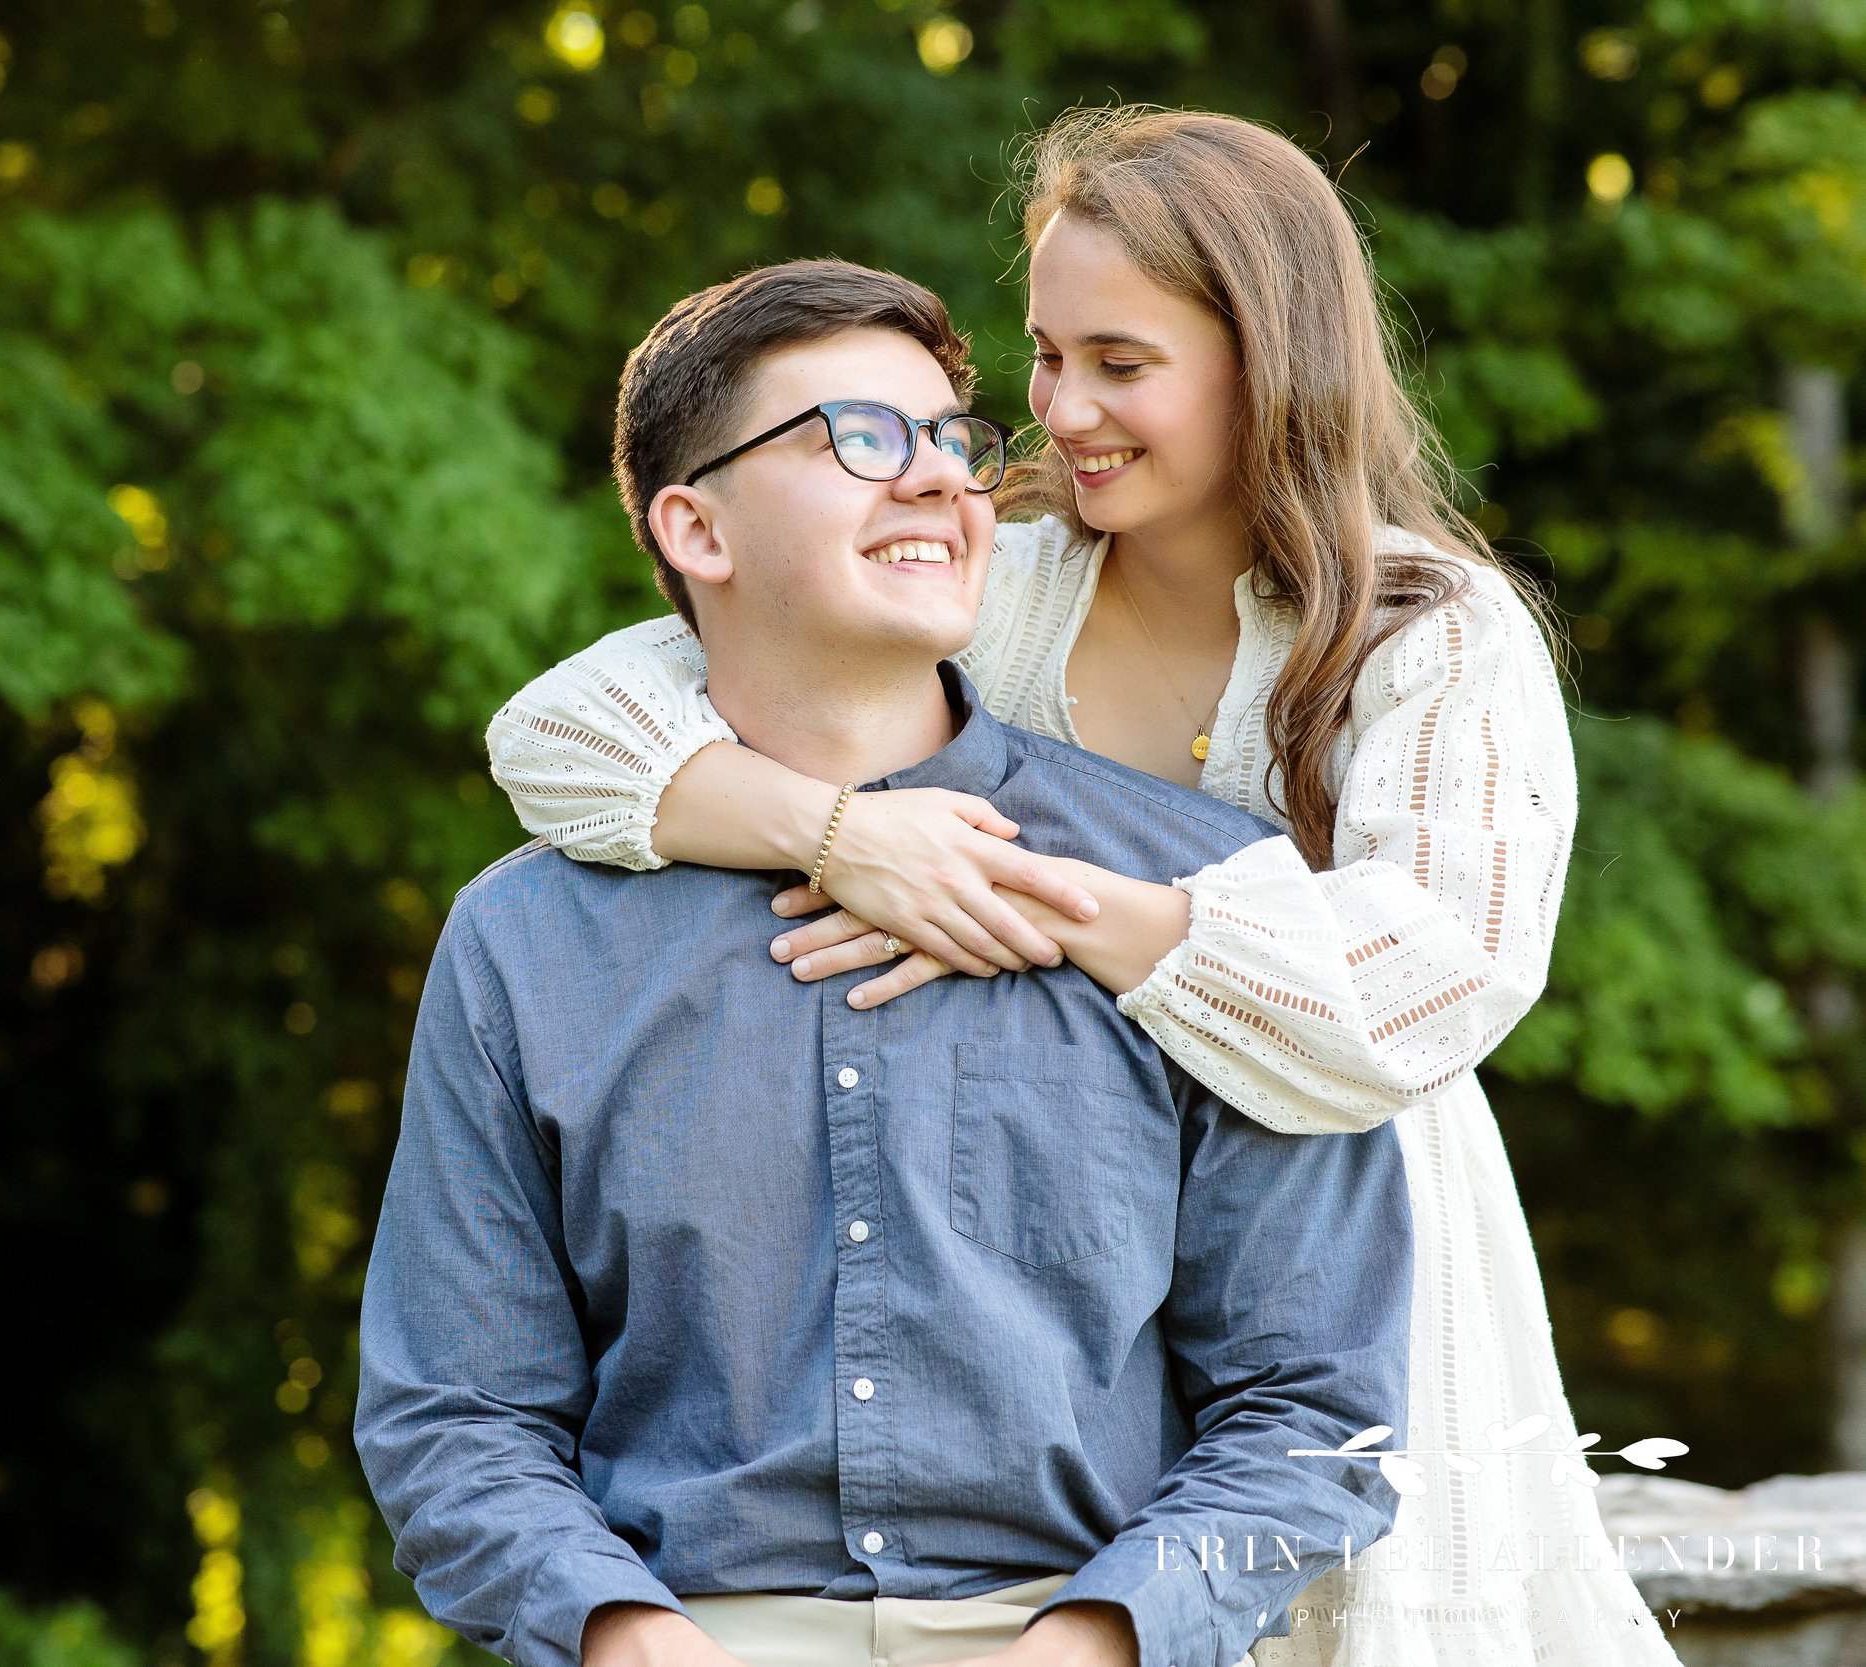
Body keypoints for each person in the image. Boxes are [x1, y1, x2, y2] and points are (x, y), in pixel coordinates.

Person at [481, 109, 1680, 1665]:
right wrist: (844, 836)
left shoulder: (1429, 632)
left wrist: (1046, 905)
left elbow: (1429, 984)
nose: (1065, 409)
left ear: (1269, 356)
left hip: (1345, 1240)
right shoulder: (1001, 578)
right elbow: (562, 735)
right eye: (1046, 358)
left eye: (1123, 363)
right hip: (1062, 1274)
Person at [355, 258, 1414, 1667]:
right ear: (696, 528)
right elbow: (456, 1416)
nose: (941, 481)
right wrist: (622, 1637)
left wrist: (1102, 1640)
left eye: (954, 440)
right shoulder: (526, 940)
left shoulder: (1204, 901)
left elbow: (1318, 1412)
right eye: (859, 437)